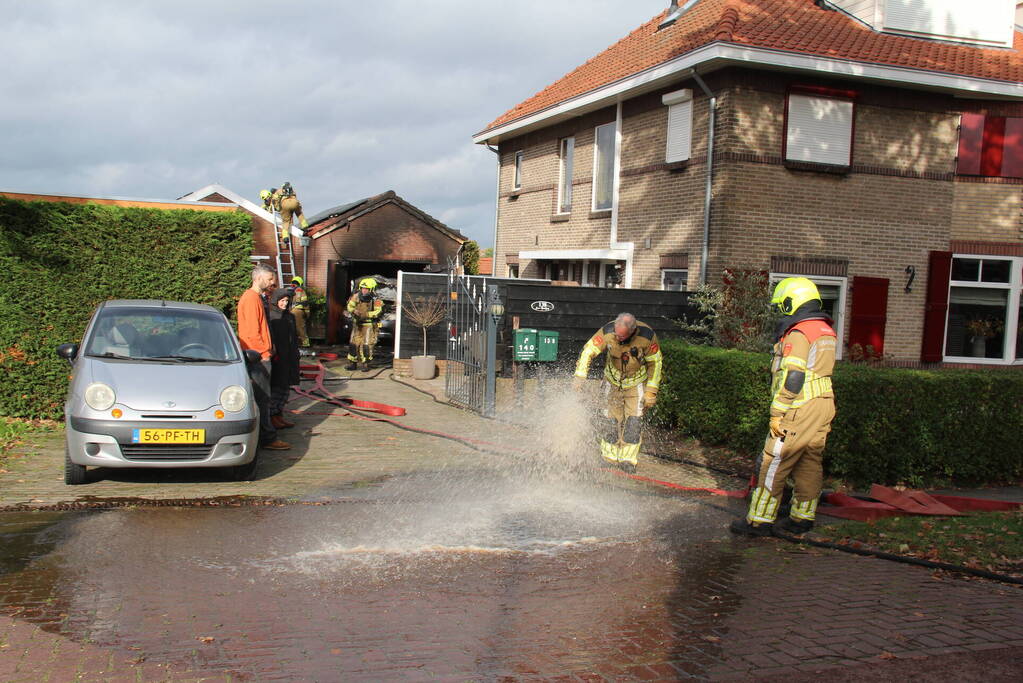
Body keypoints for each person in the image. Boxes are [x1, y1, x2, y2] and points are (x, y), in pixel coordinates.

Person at [730, 277, 837, 537]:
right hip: (822, 404)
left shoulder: (800, 332)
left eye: (783, 304)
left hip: (798, 408)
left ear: (793, 301)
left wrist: (778, 412)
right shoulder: (824, 329)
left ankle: (759, 521)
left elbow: (794, 376)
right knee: (809, 461)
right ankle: (802, 518)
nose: (782, 310)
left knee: (773, 462)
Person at [572, 312, 663, 473]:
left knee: (634, 423)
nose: (617, 337)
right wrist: (580, 376)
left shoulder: (647, 336)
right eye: (616, 333)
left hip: (636, 384)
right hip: (612, 382)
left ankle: (628, 460)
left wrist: (651, 391)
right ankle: (609, 456)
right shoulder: (608, 331)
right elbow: (588, 351)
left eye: (621, 336)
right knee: (609, 420)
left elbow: (655, 363)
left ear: (632, 332)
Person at [237, 264, 290, 451]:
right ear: (258, 278)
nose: (271, 283)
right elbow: (253, 332)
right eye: (269, 279)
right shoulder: (251, 299)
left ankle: (265, 436)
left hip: (259, 354)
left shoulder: (256, 298)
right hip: (257, 357)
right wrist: (264, 353)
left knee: (263, 398)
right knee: (263, 399)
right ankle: (267, 438)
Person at [267, 287, 301, 430]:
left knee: (286, 387)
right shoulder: (272, 317)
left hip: (290, 357)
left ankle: (279, 414)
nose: (285, 303)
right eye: (282, 300)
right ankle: (272, 416)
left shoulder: (290, 316)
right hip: (278, 357)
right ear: (276, 300)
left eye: (287, 301)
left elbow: (293, 337)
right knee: (277, 387)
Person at [345, 277, 384, 371]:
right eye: (362, 288)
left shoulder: (376, 300)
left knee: (366, 345)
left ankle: (365, 364)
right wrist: (354, 310)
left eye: (366, 289)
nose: (364, 290)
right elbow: (349, 306)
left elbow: (378, 311)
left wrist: (366, 314)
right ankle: (353, 363)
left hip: (369, 325)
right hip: (357, 324)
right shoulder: (356, 296)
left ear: (372, 289)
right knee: (353, 344)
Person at [290, 276, 311, 348]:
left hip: (289, 311)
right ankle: (306, 344)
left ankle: (292, 343)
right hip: (298, 311)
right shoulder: (300, 291)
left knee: (291, 328)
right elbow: (305, 303)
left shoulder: (288, 290)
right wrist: (307, 313)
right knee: (301, 328)